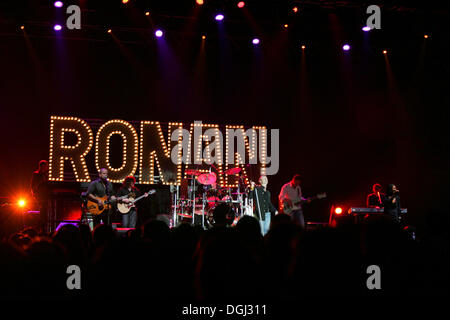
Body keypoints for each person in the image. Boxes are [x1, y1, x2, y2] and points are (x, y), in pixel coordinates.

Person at [30, 160, 49, 232]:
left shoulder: (46, 175)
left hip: (46, 195)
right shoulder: (36, 174)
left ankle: (44, 224)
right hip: (40, 195)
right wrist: (34, 194)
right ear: (41, 166)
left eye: (46, 166)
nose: (45, 168)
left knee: (45, 209)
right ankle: (41, 225)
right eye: (44, 166)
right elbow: (33, 185)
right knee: (42, 208)